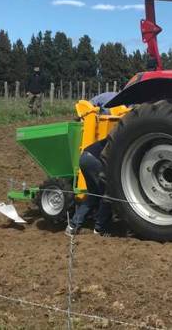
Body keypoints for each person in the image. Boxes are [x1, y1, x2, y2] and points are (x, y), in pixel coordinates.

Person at [66, 94, 117, 236]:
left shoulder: (114, 133)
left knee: (93, 195)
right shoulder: (121, 139)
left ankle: (73, 226)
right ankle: (99, 228)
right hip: (94, 161)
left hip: (85, 157)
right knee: (108, 194)